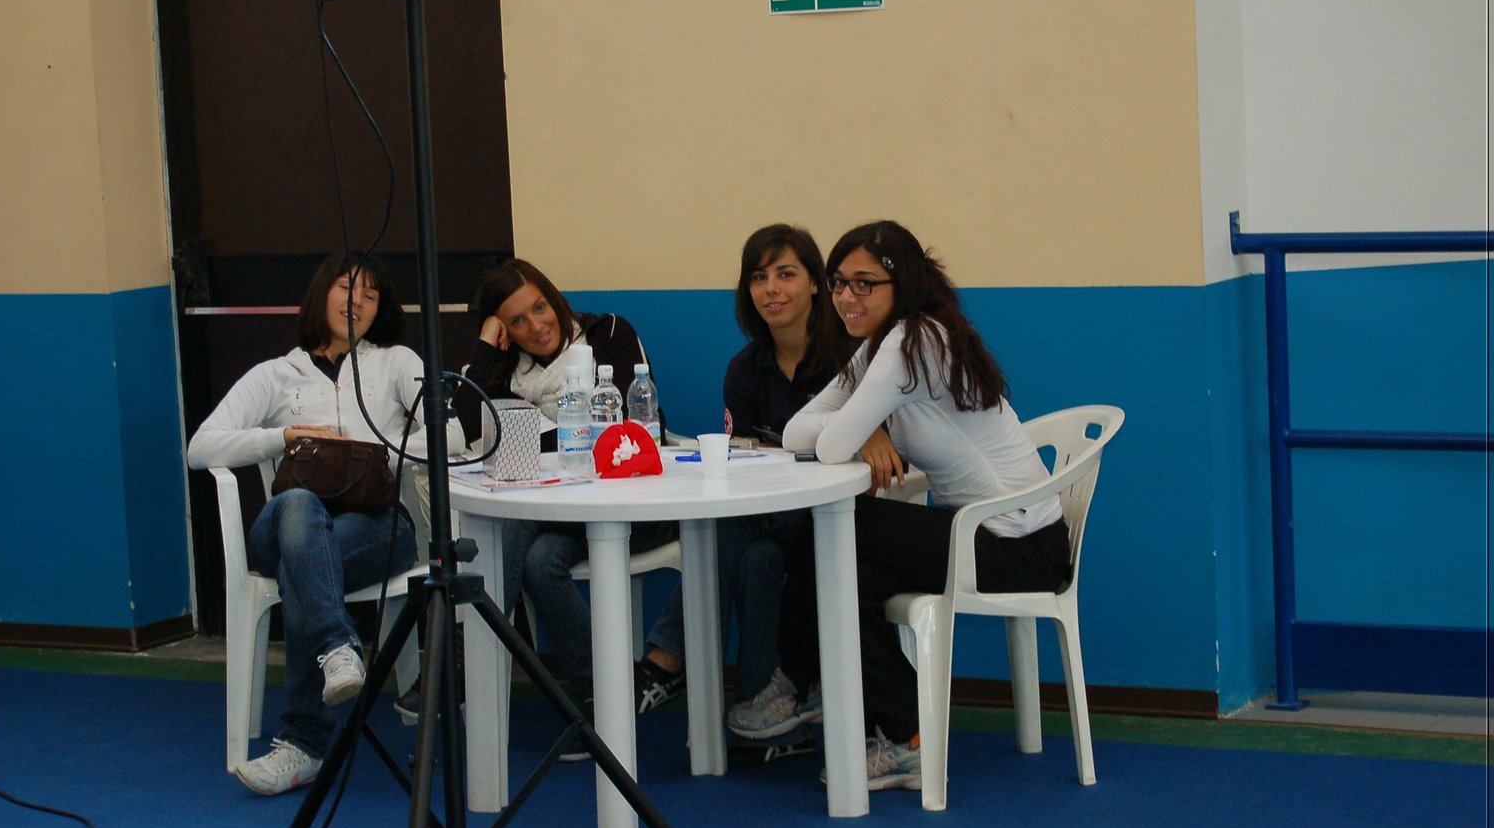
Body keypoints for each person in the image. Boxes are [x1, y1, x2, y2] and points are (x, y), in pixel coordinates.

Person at [726, 220, 1071, 791]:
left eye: (865, 283)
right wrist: (862, 431)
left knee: (843, 527)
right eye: (839, 283)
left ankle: (807, 681)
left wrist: (852, 433)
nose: (846, 297)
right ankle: (903, 732)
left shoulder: (916, 340)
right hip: (979, 534)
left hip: (1017, 546)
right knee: (844, 566)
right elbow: (794, 432)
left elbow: (827, 440)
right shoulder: (878, 349)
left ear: (902, 284)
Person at [188, 254, 464, 795]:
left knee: (305, 565)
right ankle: (339, 647)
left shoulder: (396, 362)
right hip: (286, 523)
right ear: (322, 295)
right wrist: (284, 438)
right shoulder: (274, 375)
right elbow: (201, 447)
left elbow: (451, 437)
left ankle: (304, 746)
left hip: (376, 525)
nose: (357, 300)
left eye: (371, 294)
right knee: (298, 509)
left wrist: (372, 452)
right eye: (347, 286)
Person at [632, 224, 842, 764]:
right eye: (759, 277)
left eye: (786, 274)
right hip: (770, 521)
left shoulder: (851, 359)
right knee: (756, 558)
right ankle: (765, 725)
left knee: (725, 530)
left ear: (816, 283)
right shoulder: (744, 370)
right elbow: (747, 457)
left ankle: (664, 660)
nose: (772, 288)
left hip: (837, 520)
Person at [452, 259, 674, 759]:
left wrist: (529, 437)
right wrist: (486, 348)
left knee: (507, 522)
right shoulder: (509, 367)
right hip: (558, 515)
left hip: (629, 502)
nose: (536, 326)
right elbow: (472, 427)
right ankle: (603, 697)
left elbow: (626, 428)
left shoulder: (609, 333)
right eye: (516, 322)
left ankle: (465, 667)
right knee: (535, 560)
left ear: (553, 297)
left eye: (538, 307)